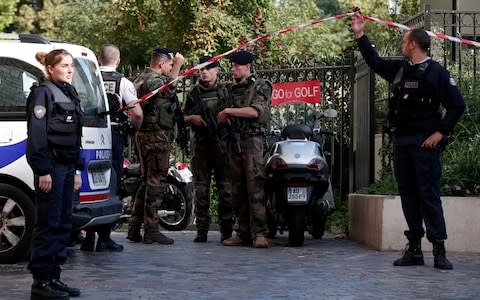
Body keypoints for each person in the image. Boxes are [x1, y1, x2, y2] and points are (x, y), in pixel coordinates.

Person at [351, 12, 465, 269]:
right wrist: (360, 34)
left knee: (429, 196)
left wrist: (439, 133)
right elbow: (375, 61)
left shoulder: (437, 73)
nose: (402, 46)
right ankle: (414, 248)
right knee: (408, 197)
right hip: (403, 143)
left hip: (425, 145)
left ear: (413, 44)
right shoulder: (401, 70)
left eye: (404, 42)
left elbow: (457, 106)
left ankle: (439, 250)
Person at [26, 49, 83, 299]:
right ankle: (41, 281)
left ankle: (54, 276)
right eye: (65, 66)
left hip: (68, 166)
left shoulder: (69, 92)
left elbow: (74, 136)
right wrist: (43, 171)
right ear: (50, 68)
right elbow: (37, 136)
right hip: (51, 166)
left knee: (62, 222)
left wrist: (77, 169)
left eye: (71, 66)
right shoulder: (42, 93)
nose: (70, 70)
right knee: (48, 222)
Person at [80, 44, 143, 252]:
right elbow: (138, 113)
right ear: (118, 60)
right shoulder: (122, 82)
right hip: (114, 135)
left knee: (93, 186)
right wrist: (134, 130)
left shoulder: (90, 79)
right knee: (111, 184)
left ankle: (88, 237)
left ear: (99, 59)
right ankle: (105, 238)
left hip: (90, 134)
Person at [126, 47, 184, 244]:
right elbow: (168, 91)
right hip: (155, 137)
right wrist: (178, 66)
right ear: (161, 63)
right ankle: (151, 229)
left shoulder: (140, 78)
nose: (170, 68)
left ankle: (134, 227)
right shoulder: (153, 80)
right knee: (155, 182)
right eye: (168, 64)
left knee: (146, 181)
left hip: (145, 136)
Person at [217, 50, 271, 248]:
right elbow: (220, 115)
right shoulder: (231, 90)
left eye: (236, 66)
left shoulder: (261, 86)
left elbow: (255, 111)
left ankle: (260, 233)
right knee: (237, 189)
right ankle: (242, 232)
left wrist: (229, 111)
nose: (233, 70)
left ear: (247, 67)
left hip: (252, 142)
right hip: (234, 142)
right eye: (232, 66)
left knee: (255, 187)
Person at [184, 56, 233, 243]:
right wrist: (192, 119)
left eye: (208, 68)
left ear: (216, 70)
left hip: (222, 145)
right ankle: (202, 229)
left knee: (226, 190)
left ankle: (227, 230)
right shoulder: (194, 93)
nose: (204, 72)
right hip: (201, 147)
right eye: (201, 69)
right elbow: (182, 117)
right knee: (201, 189)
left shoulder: (226, 91)